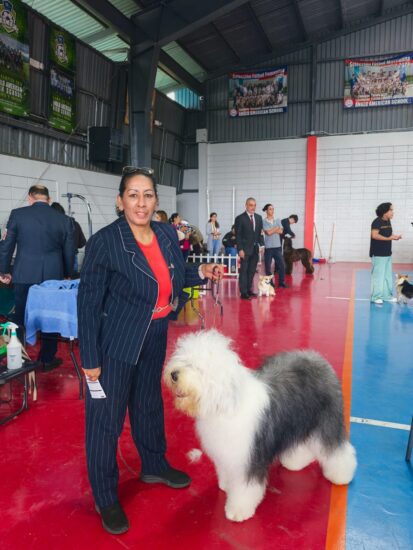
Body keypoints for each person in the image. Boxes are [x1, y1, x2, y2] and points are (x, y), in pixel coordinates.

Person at [77, 167, 222, 535]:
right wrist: (90, 358)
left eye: (147, 195)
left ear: (156, 200)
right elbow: (88, 303)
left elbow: (175, 272)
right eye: (133, 195)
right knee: (106, 420)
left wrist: (201, 272)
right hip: (116, 342)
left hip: (155, 334)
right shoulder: (105, 242)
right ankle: (105, 496)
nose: (141, 203)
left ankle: (154, 465)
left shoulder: (165, 233)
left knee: (148, 405)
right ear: (120, 200)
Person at [0, 185, 75, 369]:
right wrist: (67, 275)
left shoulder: (18, 215)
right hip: (53, 277)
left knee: (20, 316)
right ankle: (46, 360)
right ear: (48, 199)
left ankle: (17, 358)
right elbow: (69, 252)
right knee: (50, 317)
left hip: (24, 274)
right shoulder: (64, 220)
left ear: (30, 198)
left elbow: (6, 245)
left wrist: (4, 271)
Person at [370, 202, 401, 304]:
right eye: (391, 210)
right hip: (378, 254)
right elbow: (374, 235)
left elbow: (388, 234)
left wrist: (394, 237)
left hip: (387, 253)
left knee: (387, 276)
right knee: (378, 276)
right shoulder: (376, 222)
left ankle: (387, 296)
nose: (393, 212)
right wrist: (389, 238)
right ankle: (376, 297)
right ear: (384, 212)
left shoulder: (388, 222)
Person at [234, 197, 264, 300]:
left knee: (251, 271)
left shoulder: (259, 217)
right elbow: (238, 235)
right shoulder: (240, 218)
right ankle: (243, 292)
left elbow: (260, 233)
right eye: (251, 205)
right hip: (245, 250)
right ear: (246, 205)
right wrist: (240, 249)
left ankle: (249, 290)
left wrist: (262, 245)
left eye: (254, 205)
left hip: (255, 249)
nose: (253, 207)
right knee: (244, 271)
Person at [51, 202, 86, 273]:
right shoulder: (74, 224)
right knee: (72, 278)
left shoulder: (51, 225)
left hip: (56, 258)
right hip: (72, 258)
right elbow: (82, 243)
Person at [262, 204, 287, 288]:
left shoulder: (277, 220)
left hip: (277, 247)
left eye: (273, 209)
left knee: (282, 265)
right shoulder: (263, 221)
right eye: (270, 209)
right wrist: (276, 228)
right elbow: (268, 233)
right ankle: (270, 283)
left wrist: (273, 230)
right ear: (266, 211)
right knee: (268, 267)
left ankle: (281, 283)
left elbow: (281, 231)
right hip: (268, 247)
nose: (272, 211)